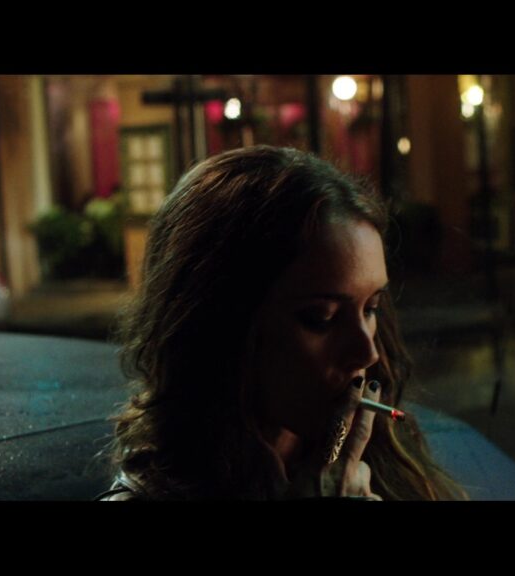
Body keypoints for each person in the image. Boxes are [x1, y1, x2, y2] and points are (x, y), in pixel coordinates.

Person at [97, 145, 466, 500]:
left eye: (370, 309)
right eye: (321, 318)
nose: (366, 352)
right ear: (220, 325)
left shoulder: (385, 466)